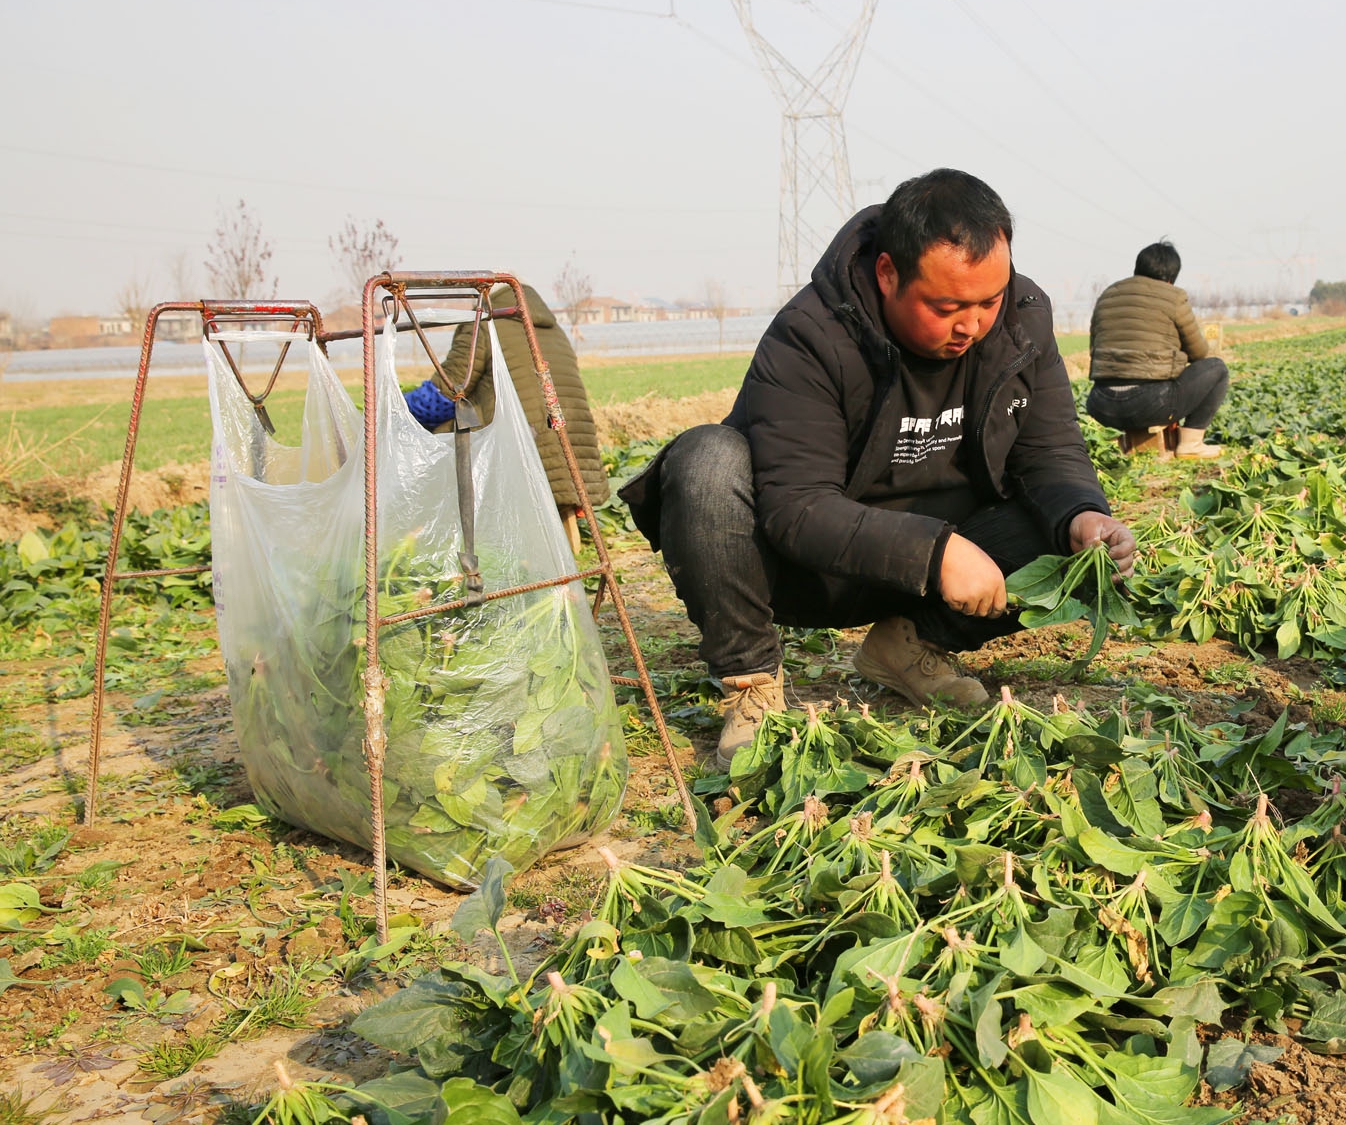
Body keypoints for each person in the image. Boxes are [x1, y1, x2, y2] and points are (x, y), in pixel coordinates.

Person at [619, 169, 1135, 761]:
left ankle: (911, 644)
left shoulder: (1021, 319)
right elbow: (798, 507)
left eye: (988, 300)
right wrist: (936, 552)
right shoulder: (812, 333)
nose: (972, 324)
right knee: (707, 461)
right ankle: (752, 684)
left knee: (1069, 531)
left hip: (939, 565)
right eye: (947, 306)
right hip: (806, 568)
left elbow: (1049, 451)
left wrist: (1082, 514)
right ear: (888, 274)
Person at [403, 283, 608, 549]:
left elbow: (447, 392)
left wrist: (399, 409)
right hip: (572, 446)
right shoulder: (551, 328)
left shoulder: (484, 320)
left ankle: (432, 540)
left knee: (438, 438)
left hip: (524, 443)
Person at [1083, 241, 1229, 459]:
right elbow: (1199, 353)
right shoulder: (1174, 296)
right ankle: (1191, 444)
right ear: (1171, 278)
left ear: (1137, 268)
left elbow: (1095, 349)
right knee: (1217, 368)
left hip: (1101, 404)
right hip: (1150, 404)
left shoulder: (1108, 295)